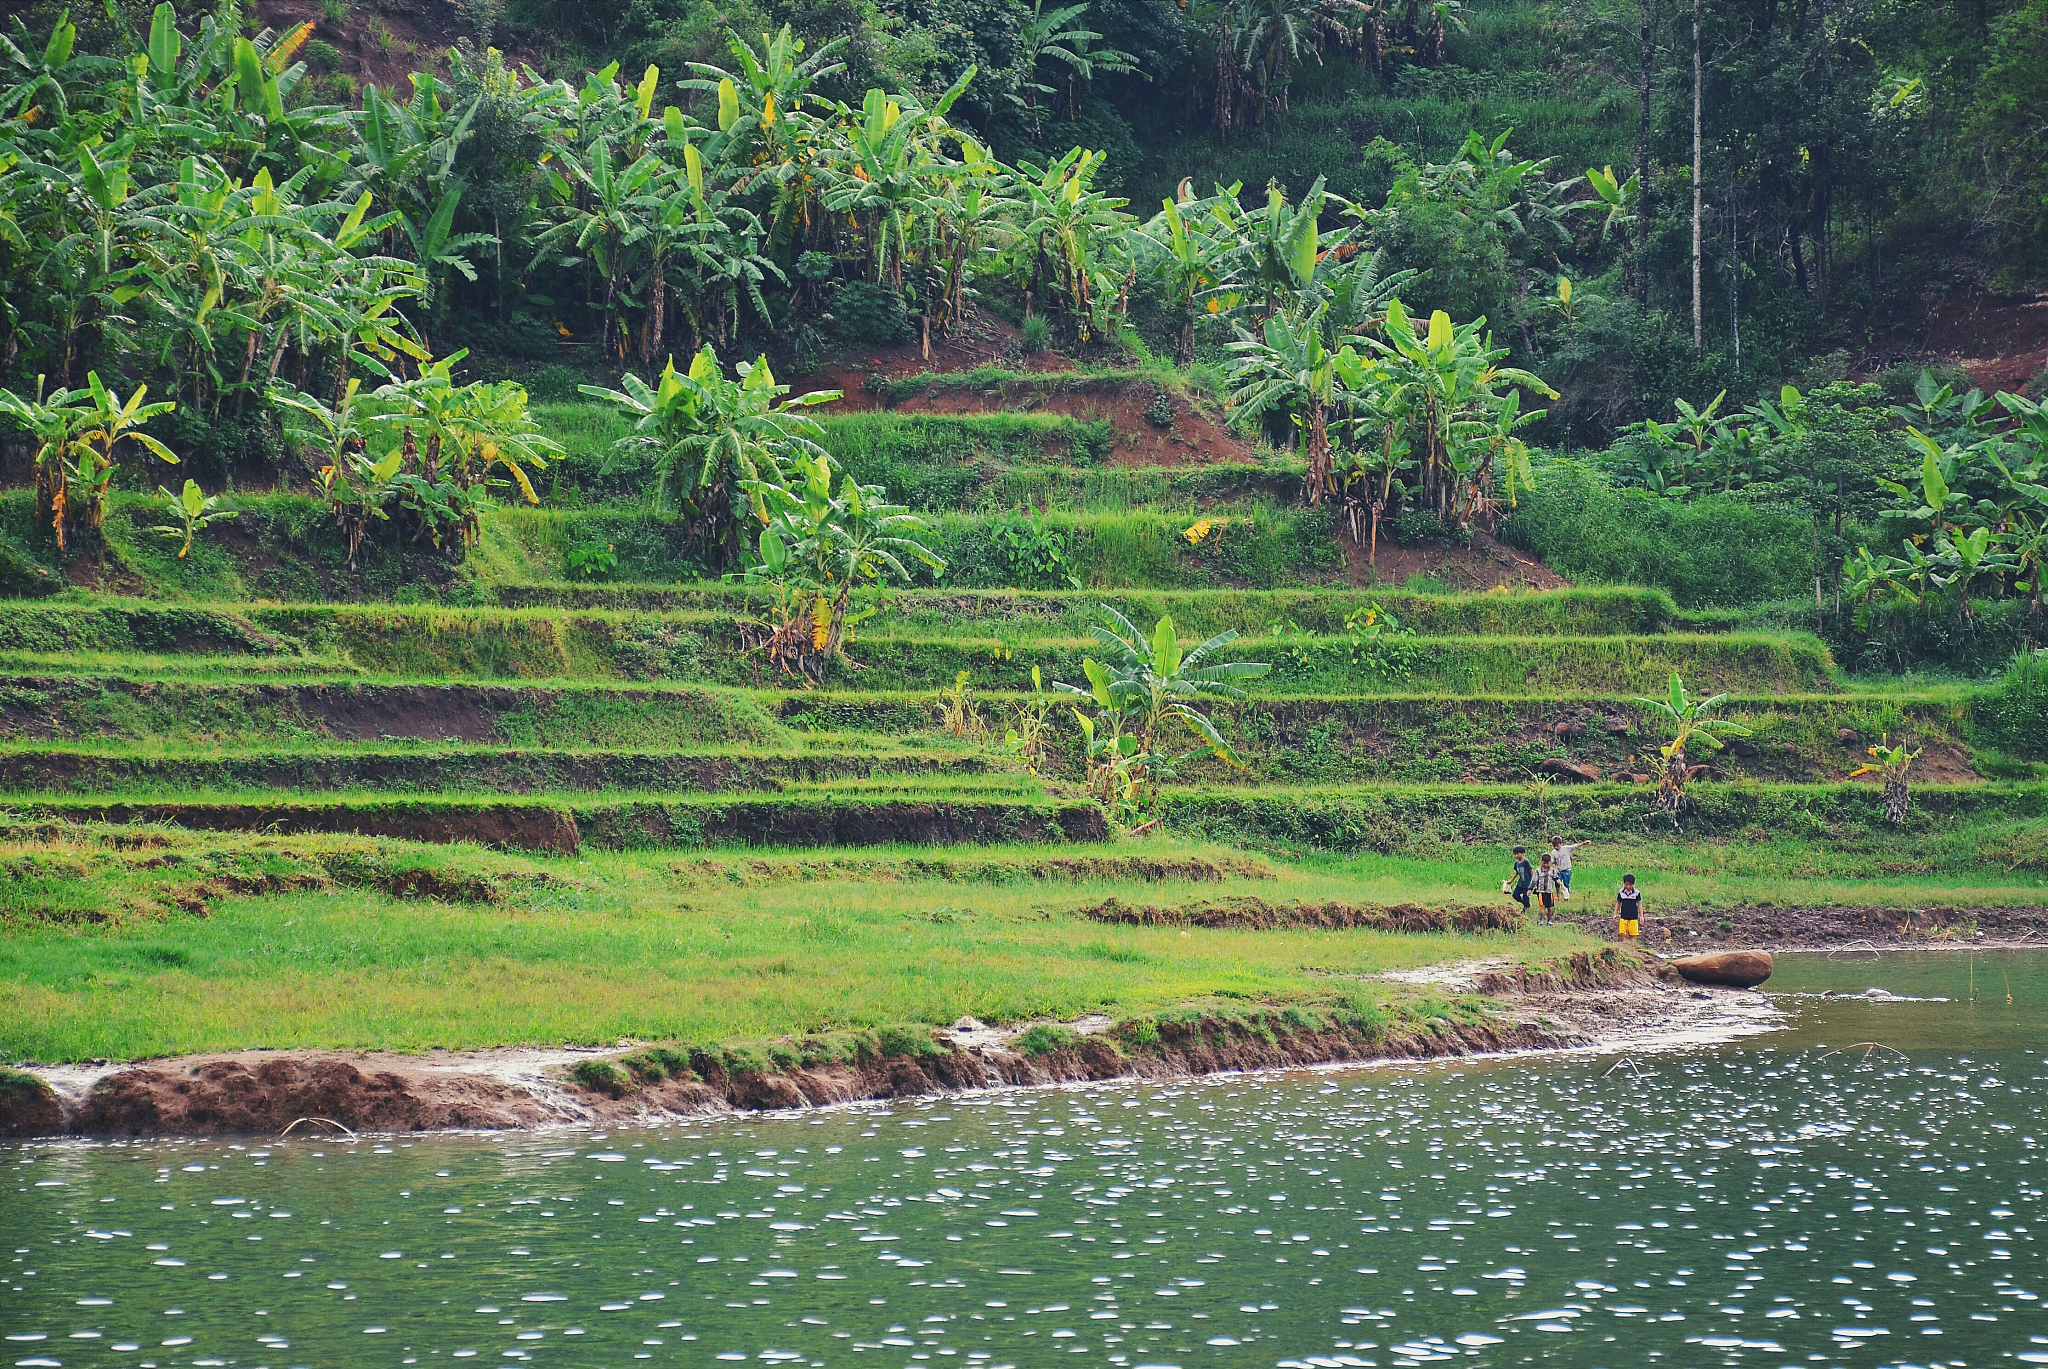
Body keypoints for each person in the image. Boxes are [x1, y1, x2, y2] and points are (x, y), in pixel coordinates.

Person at [1530, 852, 1561, 921]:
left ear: (1550, 862)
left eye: (1548, 863)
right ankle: (1541, 919)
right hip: (1541, 891)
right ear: (1541, 862)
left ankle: (1549, 920)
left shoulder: (1552, 871)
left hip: (1549, 891)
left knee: (1550, 907)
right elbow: (1534, 880)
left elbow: (1556, 878)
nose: (1546, 865)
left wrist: (1562, 885)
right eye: (1544, 863)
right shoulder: (1538, 871)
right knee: (1541, 905)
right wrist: (1530, 889)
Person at [1614, 874, 1643, 938]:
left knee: (1632, 934)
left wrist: (1641, 916)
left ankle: (1631, 946)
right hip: (1623, 916)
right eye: (1626, 884)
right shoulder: (1621, 892)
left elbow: (1639, 904)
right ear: (1624, 883)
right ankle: (1622, 945)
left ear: (1633, 884)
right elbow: (1618, 903)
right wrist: (1615, 913)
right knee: (1622, 933)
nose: (1628, 886)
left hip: (1633, 916)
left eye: (1630, 885)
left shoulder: (1636, 893)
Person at [1507, 844, 1533, 914]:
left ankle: (1526, 908)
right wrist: (1511, 880)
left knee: (1525, 896)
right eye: (1515, 854)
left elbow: (1531, 871)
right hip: (1521, 882)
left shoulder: (1526, 862)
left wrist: (1534, 881)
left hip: (1527, 883)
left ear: (1522, 853)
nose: (1516, 856)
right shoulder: (1516, 863)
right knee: (1515, 895)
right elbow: (1516, 873)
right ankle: (1525, 904)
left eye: (1517, 854)